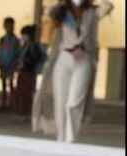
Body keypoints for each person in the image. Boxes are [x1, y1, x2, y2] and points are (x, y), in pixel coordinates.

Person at [39, 0, 116, 143]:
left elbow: (109, 6)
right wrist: (62, 4)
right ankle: (60, 139)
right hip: (64, 58)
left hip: (83, 59)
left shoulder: (92, 12)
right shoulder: (61, 11)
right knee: (60, 102)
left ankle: (71, 139)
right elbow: (48, 13)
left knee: (74, 102)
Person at [13, 24, 45, 117]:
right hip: (23, 71)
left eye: (24, 35)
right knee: (21, 92)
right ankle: (22, 111)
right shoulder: (24, 45)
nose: (22, 37)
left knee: (27, 93)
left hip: (29, 72)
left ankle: (26, 112)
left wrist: (27, 61)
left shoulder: (33, 46)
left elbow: (36, 58)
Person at [0, 17, 20, 113]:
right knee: (3, 84)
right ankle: (3, 103)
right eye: (7, 25)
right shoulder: (2, 39)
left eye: (11, 25)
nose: (9, 27)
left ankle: (11, 103)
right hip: (3, 64)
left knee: (10, 84)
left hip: (11, 64)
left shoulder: (16, 40)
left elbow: (17, 53)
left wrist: (15, 65)